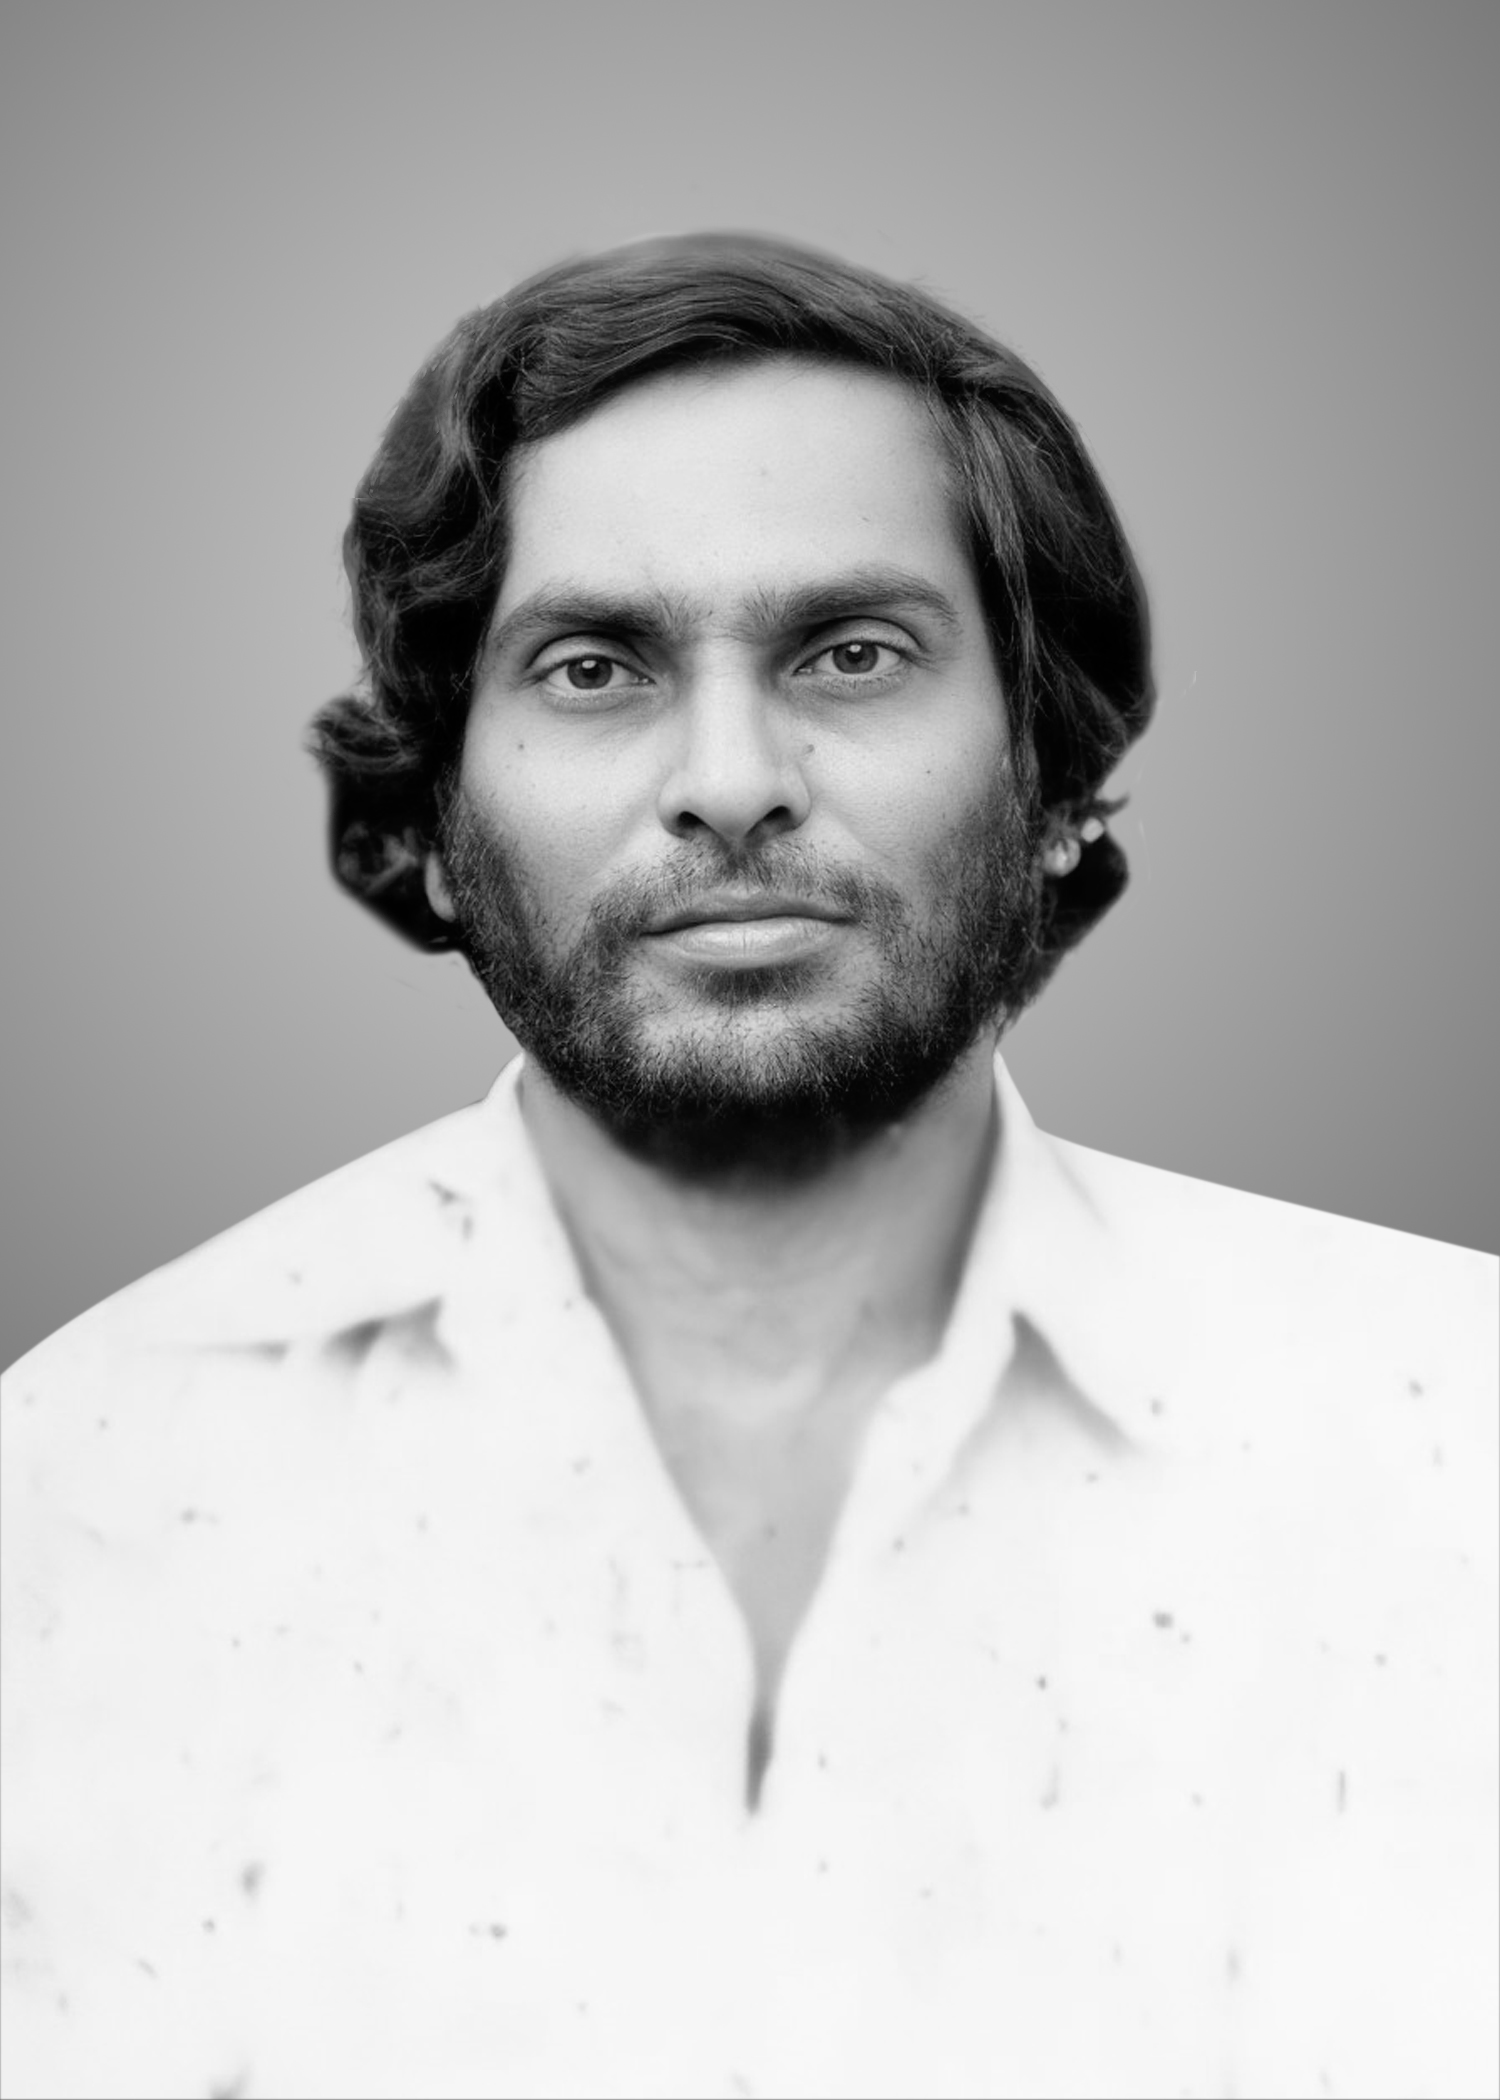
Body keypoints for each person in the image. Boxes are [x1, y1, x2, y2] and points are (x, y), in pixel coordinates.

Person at [2, 235, 1494, 2100]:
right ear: (437, 821)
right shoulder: (80, 1497)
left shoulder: (1454, 1444)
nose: (730, 777)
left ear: (1050, 784)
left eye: (852, 653)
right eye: (593, 666)